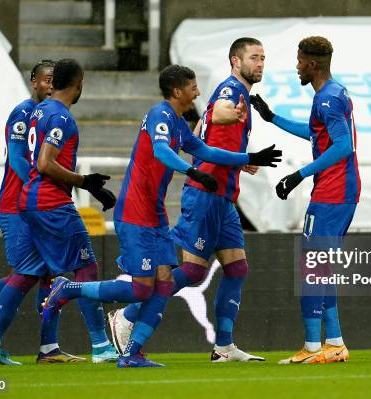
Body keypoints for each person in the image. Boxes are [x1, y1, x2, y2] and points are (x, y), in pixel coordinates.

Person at [42, 64, 281, 367]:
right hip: (135, 211)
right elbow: (161, 152)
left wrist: (248, 157)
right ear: (178, 91)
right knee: (141, 288)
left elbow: (206, 150)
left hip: (155, 213)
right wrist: (190, 170)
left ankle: (132, 353)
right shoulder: (160, 115)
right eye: (193, 86)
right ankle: (69, 289)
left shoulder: (180, 124)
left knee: (165, 283)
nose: (197, 92)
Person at [109, 37, 269, 362]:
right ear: (235, 61)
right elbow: (219, 109)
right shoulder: (231, 92)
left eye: (263, 58)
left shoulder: (235, 99)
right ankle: (127, 316)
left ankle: (224, 346)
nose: (260, 63)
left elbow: (203, 129)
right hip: (206, 196)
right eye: (254, 57)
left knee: (237, 267)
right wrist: (225, 115)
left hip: (223, 197)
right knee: (193, 272)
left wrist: (243, 158)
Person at [0, 59, 118, 365]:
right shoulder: (60, 117)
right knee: (86, 269)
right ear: (78, 85)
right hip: (51, 204)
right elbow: (44, 163)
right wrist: (85, 182)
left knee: (26, 273)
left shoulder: (37, 111)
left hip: (29, 203)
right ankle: (102, 346)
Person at [0, 60, 84, 365]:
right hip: (16, 205)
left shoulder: (47, 115)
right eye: (45, 80)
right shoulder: (23, 113)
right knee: (23, 274)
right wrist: (40, 186)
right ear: (34, 82)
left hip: (35, 204)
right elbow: (19, 160)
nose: (49, 86)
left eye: (53, 81)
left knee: (47, 273)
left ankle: (49, 347)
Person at [251, 36, 359, 364]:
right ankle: (335, 342)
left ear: (312, 64)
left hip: (333, 191)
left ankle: (313, 347)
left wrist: (299, 175)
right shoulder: (333, 93)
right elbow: (317, 133)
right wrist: (273, 119)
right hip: (341, 190)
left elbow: (342, 146)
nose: (296, 66)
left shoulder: (327, 98)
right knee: (320, 268)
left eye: (299, 61)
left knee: (311, 268)